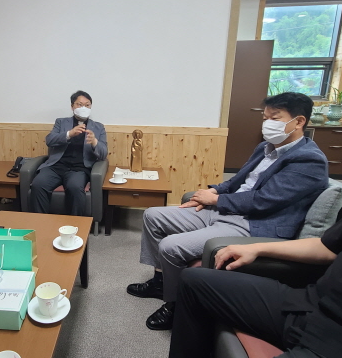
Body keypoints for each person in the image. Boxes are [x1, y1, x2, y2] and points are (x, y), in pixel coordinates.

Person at [169, 70, 342, 358]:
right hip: (311, 304)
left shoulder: (307, 159)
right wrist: (257, 248)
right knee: (194, 282)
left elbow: (264, 201)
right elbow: (328, 247)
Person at [127, 92, 329, 331]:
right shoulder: (265, 147)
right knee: (153, 215)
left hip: (253, 223)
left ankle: (175, 305)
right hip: (228, 210)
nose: (267, 124)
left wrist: (216, 199)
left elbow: (264, 200)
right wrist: (212, 190)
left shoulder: (309, 160)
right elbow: (237, 182)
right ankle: (160, 282)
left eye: (275, 118)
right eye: (265, 118)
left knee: (171, 246)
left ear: (299, 121)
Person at [29, 90, 108, 216]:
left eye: (87, 105)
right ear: (72, 106)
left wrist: (94, 142)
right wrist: (69, 134)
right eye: (79, 104)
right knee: (38, 184)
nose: (84, 108)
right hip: (56, 166)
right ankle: (40, 223)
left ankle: (76, 225)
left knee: (75, 187)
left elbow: (103, 154)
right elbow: (49, 140)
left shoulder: (98, 127)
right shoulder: (61, 122)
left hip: (79, 169)